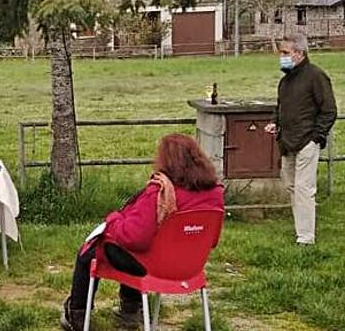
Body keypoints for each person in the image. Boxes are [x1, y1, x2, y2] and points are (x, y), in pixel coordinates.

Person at [60, 134, 224, 331]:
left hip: (154, 267)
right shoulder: (214, 193)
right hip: (190, 266)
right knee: (140, 246)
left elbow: (134, 238)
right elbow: (212, 240)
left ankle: (77, 314)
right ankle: (130, 309)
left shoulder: (159, 191)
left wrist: (113, 220)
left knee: (90, 252)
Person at [265, 33, 336, 245]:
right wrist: (275, 122)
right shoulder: (286, 81)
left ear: (299, 53)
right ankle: (301, 228)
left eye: (285, 52)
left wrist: (317, 136)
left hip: (307, 141)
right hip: (287, 141)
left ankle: (306, 237)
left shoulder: (316, 77)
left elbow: (329, 110)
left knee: (304, 189)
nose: (282, 57)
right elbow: (281, 107)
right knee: (291, 186)